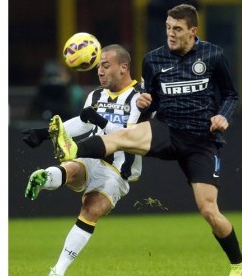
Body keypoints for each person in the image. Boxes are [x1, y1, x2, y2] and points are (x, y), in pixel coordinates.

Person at [46, 4, 242, 276]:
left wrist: (223, 116)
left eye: (177, 29)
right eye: (168, 27)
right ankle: (73, 150)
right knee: (121, 137)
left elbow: (231, 95)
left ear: (193, 30)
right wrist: (145, 101)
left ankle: (239, 265)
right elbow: (150, 97)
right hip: (167, 129)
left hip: (202, 141)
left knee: (209, 210)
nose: (171, 34)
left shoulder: (213, 55)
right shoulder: (154, 59)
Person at [22, 44, 148, 276]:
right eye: (98, 65)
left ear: (123, 67)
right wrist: (42, 133)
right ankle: (47, 176)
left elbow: (129, 137)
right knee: (73, 167)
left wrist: (99, 120)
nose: (99, 70)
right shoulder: (96, 95)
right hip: (92, 156)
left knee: (92, 207)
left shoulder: (140, 98)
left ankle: (50, 176)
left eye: (105, 65)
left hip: (118, 169)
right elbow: (82, 122)